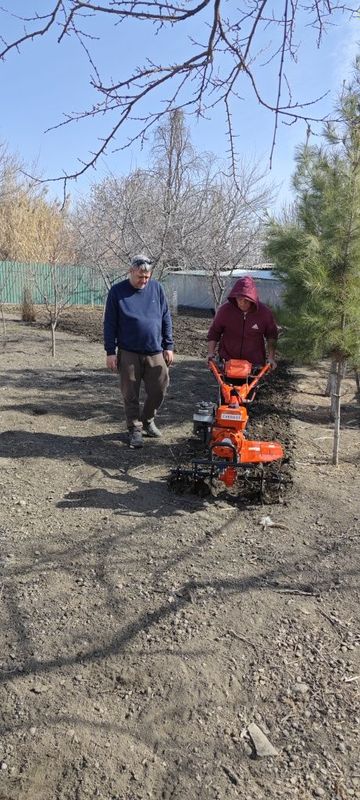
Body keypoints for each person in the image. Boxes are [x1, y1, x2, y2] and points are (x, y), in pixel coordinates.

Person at [104, 254, 174, 449]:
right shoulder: (117, 292)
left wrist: (169, 345)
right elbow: (109, 323)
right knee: (130, 393)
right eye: (140, 277)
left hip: (155, 350)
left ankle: (148, 419)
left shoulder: (156, 288)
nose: (143, 281)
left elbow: (166, 317)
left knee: (159, 388)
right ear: (131, 271)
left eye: (147, 277)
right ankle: (135, 429)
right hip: (129, 352)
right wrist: (110, 351)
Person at [207, 275, 278, 368]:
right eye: (239, 299)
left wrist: (271, 357)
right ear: (235, 297)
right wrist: (210, 353)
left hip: (254, 363)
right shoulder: (225, 311)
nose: (242, 303)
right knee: (225, 383)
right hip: (227, 361)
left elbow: (271, 335)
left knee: (252, 383)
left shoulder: (264, 313)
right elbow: (214, 332)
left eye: (246, 300)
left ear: (252, 299)